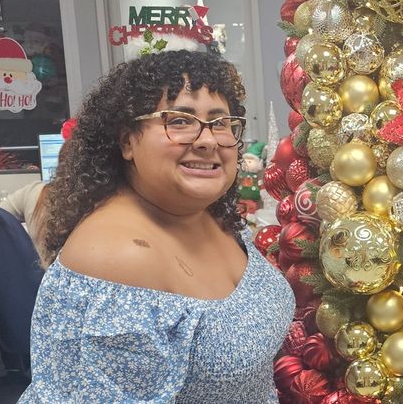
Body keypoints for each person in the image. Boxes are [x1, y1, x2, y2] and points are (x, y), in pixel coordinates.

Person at [18, 50, 295, 403]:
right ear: (127, 141)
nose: (208, 140)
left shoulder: (210, 216)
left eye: (220, 122)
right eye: (179, 121)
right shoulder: (116, 258)